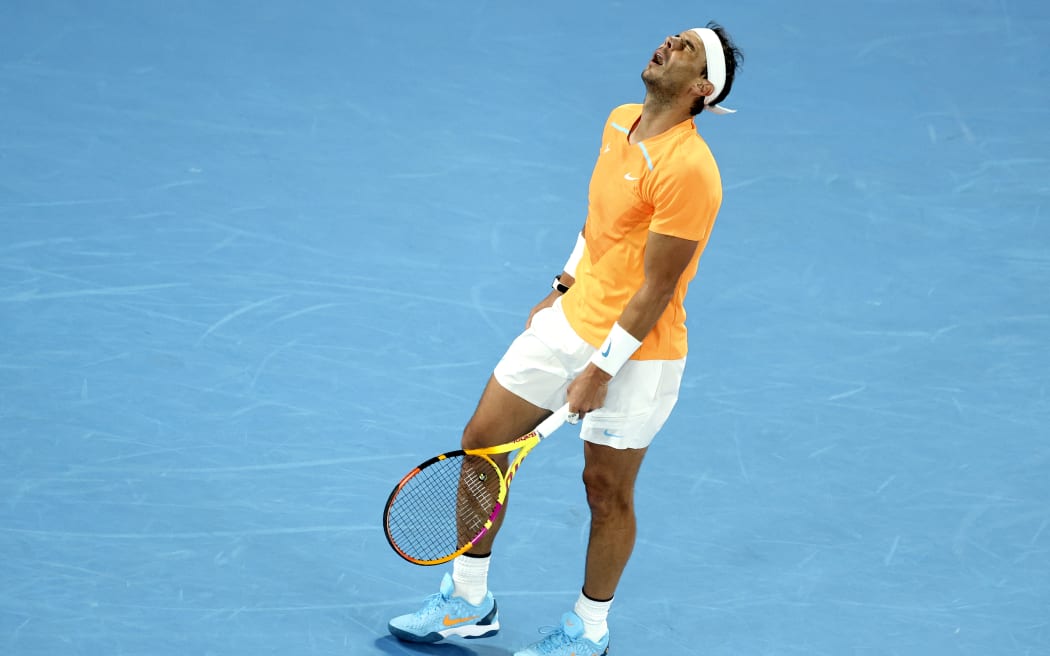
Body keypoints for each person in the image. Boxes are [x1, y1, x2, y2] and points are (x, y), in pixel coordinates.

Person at [388, 23, 743, 656]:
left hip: (641, 352)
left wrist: (601, 370)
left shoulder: (691, 170)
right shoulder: (621, 121)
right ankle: (469, 601)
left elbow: (658, 288)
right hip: (572, 318)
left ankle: (589, 630)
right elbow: (600, 220)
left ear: (702, 88)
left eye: (685, 48)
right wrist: (562, 283)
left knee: (605, 490)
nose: (667, 44)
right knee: (481, 444)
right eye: (672, 37)